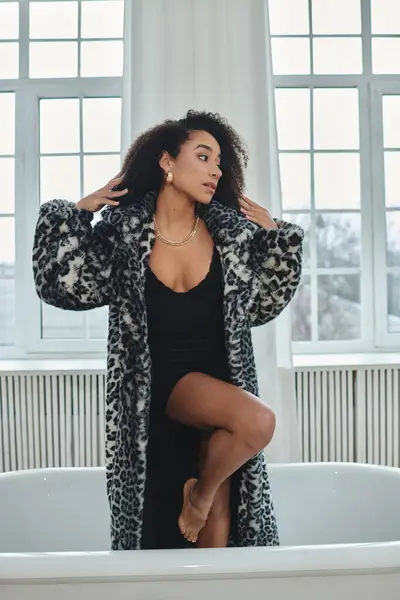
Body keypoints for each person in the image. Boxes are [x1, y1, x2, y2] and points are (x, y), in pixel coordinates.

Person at [32, 110, 303, 550]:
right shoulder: (124, 237)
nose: (216, 170)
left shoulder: (230, 238)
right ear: (166, 162)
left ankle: (200, 494)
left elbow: (264, 305)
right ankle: (196, 496)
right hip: (156, 394)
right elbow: (61, 285)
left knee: (216, 540)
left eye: (219, 161)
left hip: (218, 394)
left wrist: (275, 239)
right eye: (203, 156)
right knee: (257, 421)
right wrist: (78, 211)